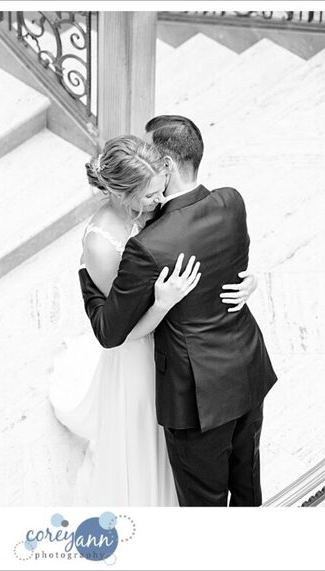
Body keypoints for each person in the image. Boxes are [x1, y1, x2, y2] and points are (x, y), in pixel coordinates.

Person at [78, 116, 278, 507]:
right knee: (248, 485)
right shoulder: (231, 200)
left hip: (196, 395)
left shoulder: (150, 244)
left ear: (165, 167)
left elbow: (110, 328)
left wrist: (85, 279)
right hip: (246, 370)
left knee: (203, 503)